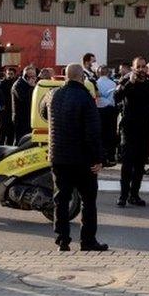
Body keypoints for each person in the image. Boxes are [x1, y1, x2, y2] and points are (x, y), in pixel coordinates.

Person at [49, 63, 107, 252]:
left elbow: (46, 116)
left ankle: (62, 240)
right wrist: (98, 159)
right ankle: (88, 241)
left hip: (58, 156)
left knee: (61, 199)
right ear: (82, 77)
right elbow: (93, 131)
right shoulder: (85, 98)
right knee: (88, 200)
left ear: (66, 76)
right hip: (82, 159)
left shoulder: (54, 95)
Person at [114, 56, 149, 207]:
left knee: (140, 164)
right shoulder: (126, 82)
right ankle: (123, 195)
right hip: (128, 129)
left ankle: (134, 195)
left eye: (143, 66)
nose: (141, 69)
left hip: (144, 129)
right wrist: (129, 83)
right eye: (138, 66)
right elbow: (117, 97)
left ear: (147, 68)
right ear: (133, 68)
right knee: (127, 163)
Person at [95, 65, 118, 166]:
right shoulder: (113, 84)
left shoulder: (95, 84)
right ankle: (111, 156)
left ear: (98, 73)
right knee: (111, 133)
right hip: (110, 110)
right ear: (108, 73)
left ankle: (101, 157)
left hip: (99, 111)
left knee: (100, 134)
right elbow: (114, 99)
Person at [12, 65, 37, 142]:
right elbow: (24, 99)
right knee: (21, 140)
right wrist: (32, 87)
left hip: (29, 117)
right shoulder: (18, 85)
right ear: (26, 76)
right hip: (21, 119)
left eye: (34, 76)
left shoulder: (30, 84)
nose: (34, 79)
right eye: (31, 77)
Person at [0, 67, 17, 145]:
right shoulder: (1, 84)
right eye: (8, 73)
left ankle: (9, 147)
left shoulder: (15, 84)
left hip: (12, 110)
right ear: (5, 73)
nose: (9, 75)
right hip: (4, 110)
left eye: (11, 74)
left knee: (11, 132)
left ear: (14, 75)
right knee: (2, 130)